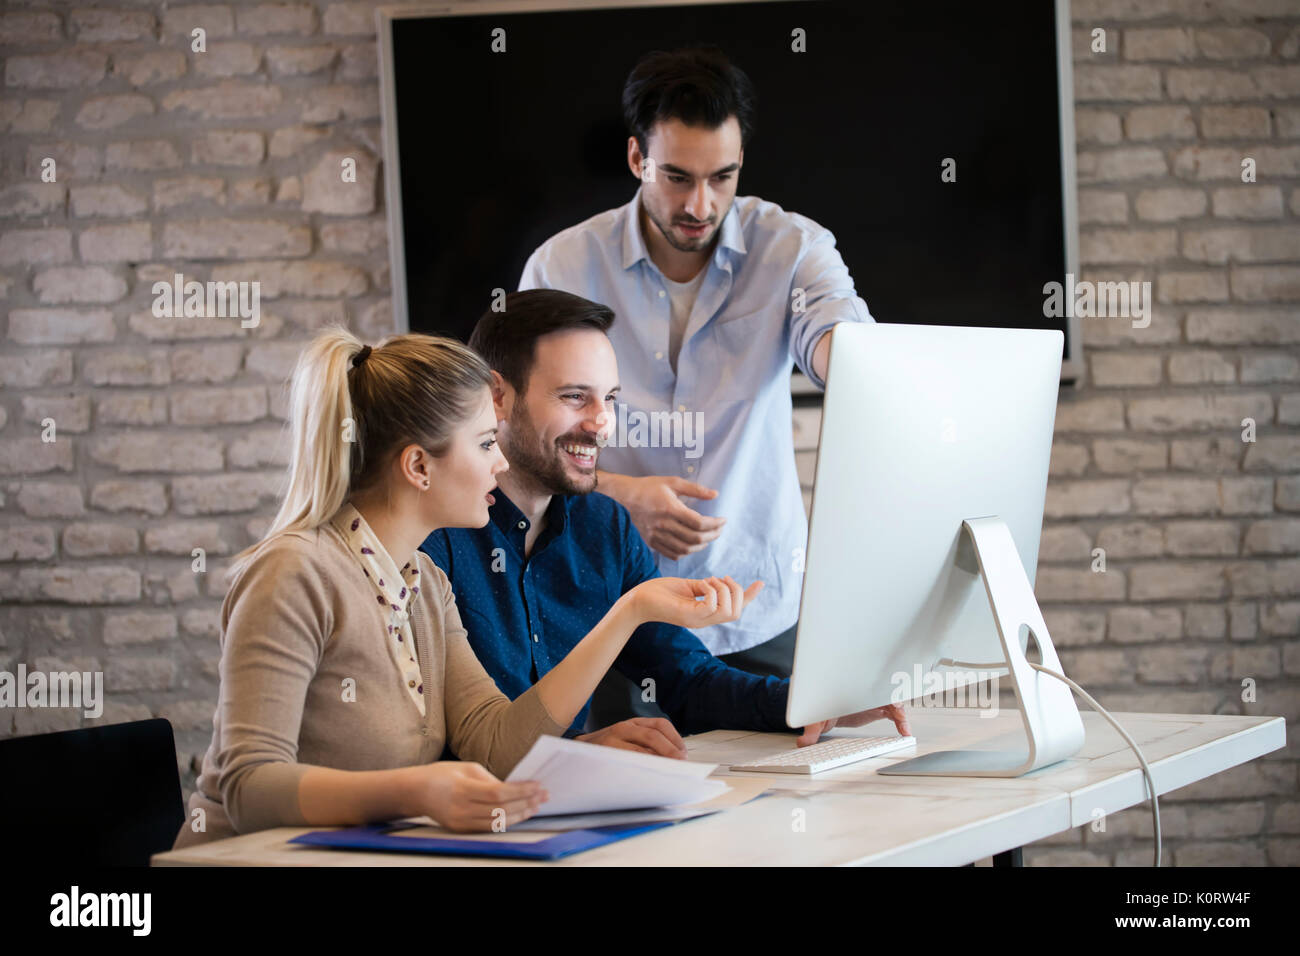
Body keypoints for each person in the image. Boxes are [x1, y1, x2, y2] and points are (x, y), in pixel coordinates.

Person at [173, 327, 759, 848]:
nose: (499, 465)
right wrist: (416, 792)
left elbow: (496, 743)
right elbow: (248, 786)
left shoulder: (424, 583)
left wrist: (630, 611)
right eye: (484, 445)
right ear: (419, 467)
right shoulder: (294, 573)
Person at [518, 46, 874, 704]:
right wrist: (619, 496)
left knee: (790, 787)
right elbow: (515, 437)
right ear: (636, 160)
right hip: (607, 607)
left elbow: (836, 333)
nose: (701, 205)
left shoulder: (791, 249)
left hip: (754, 602)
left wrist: (853, 364)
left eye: (723, 178)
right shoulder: (561, 267)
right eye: (678, 178)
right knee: (625, 794)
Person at [420, 290, 909, 756]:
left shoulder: (604, 526)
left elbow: (688, 682)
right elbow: (423, 739)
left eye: (609, 398)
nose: (601, 422)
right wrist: (574, 751)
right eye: (574, 397)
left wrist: (820, 703)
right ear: (497, 398)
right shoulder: (432, 531)